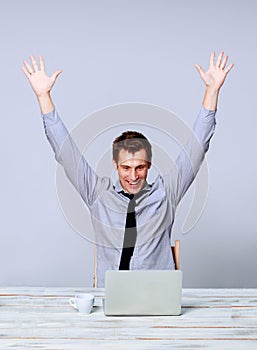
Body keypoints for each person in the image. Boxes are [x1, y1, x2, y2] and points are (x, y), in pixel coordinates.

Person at [22, 52, 234, 287]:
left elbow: (197, 147)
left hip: (157, 294)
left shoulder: (166, 193)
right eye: (126, 167)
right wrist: (43, 97)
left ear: (149, 165)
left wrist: (212, 91)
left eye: (140, 167)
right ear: (115, 165)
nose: (133, 176)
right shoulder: (97, 193)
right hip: (111, 295)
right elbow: (66, 152)